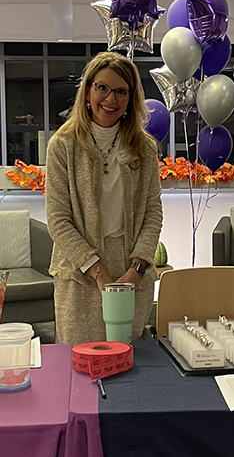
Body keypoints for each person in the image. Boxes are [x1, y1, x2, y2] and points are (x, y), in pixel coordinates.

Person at [46, 51, 163, 345]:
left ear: (130, 98)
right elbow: (58, 220)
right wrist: (98, 271)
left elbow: (152, 213)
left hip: (130, 271)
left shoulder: (145, 148)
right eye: (102, 88)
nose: (110, 99)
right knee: (81, 365)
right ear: (88, 92)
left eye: (121, 91)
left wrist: (136, 270)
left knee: (128, 361)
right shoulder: (62, 146)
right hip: (80, 273)